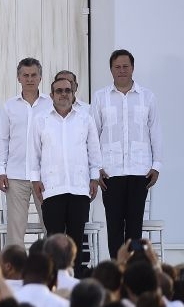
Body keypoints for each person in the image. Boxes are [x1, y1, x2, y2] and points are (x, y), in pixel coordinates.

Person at [91, 49, 162, 258]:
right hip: (110, 172)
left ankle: (134, 268)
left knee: (135, 226)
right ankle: (117, 267)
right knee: (114, 225)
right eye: (117, 67)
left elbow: (155, 131)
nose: (121, 70)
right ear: (111, 70)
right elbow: (93, 134)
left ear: (132, 68)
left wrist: (156, 165)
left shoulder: (147, 97)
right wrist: (96, 168)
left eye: (125, 66)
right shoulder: (100, 97)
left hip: (140, 171)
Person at [30, 76, 101, 271]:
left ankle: (76, 280)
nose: (63, 94)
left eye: (67, 90)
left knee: (76, 239)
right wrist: (35, 180)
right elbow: (34, 153)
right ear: (51, 95)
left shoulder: (85, 119)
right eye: (59, 91)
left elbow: (94, 152)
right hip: (52, 188)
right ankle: (55, 279)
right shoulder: (41, 120)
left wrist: (94, 178)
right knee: (54, 241)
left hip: (79, 188)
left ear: (73, 93)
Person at [0, 57, 53, 248]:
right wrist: (0, 171)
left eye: (33, 75)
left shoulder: (50, 104)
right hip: (16, 175)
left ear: (40, 78)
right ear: (18, 78)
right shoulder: (9, 106)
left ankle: (51, 264)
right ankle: (15, 265)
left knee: (50, 225)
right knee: (15, 230)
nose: (29, 79)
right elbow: (2, 140)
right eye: (25, 75)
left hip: (44, 176)